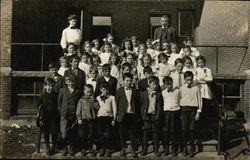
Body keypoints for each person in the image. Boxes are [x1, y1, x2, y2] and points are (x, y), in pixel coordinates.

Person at [116, 73, 141, 158]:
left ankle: (133, 150)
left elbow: (138, 104)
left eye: (130, 81)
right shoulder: (119, 91)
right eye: (127, 81)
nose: (129, 82)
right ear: (123, 81)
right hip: (123, 115)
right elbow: (117, 103)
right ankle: (123, 149)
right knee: (122, 133)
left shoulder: (135, 91)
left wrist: (137, 115)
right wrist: (117, 115)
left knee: (132, 133)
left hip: (132, 115)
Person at [179, 71, 202, 157]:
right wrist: (180, 113)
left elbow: (200, 100)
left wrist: (198, 112)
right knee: (184, 130)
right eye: (187, 80)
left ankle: (192, 148)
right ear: (184, 80)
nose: (189, 81)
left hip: (193, 110)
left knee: (191, 130)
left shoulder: (196, 88)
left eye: (191, 80)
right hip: (184, 110)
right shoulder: (181, 89)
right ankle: (184, 148)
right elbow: (178, 100)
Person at [58, 74, 82, 156]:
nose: (71, 83)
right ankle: (64, 148)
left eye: (72, 81)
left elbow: (79, 103)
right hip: (64, 114)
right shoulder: (62, 90)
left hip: (74, 115)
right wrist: (61, 111)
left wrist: (78, 114)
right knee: (64, 132)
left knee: (72, 132)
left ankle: (71, 148)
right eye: (69, 81)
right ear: (66, 82)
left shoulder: (78, 91)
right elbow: (59, 102)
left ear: (75, 82)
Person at [140, 76, 163, 157]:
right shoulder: (144, 94)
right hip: (147, 116)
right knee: (145, 133)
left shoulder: (159, 94)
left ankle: (156, 150)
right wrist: (143, 115)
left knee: (155, 133)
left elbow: (160, 106)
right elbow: (142, 105)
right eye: (153, 84)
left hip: (154, 115)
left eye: (156, 84)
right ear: (149, 84)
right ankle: (144, 149)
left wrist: (157, 116)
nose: (155, 86)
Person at [37, 77, 60, 156]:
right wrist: (40, 117)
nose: (50, 88)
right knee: (46, 131)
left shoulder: (56, 95)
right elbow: (39, 107)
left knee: (54, 131)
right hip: (45, 117)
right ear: (45, 86)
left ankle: (53, 146)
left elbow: (58, 105)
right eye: (49, 86)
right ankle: (47, 147)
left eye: (52, 86)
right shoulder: (42, 96)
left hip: (54, 117)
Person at [76, 84, 99, 157]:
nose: (89, 93)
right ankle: (83, 148)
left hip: (91, 120)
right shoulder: (81, 100)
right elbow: (78, 111)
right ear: (84, 91)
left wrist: (94, 101)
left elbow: (97, 108)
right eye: (88, 92)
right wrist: (79, 118)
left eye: (91, 92)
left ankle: (90, 148)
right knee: (83, 135)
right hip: (83, 120)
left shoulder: (93, 99)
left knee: (90, 135)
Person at [96, 82, 117, 157]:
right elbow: (96, 108)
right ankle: (102, 148)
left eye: (107, 90)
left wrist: (114, 118)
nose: (106, 91)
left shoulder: (112, 97)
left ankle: (108, 148)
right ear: (101, 90)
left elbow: (114, 109)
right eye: (104, 90)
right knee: (100, 134)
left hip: (108, 118)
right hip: (100, 118)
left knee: (108, 134)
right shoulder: (98, 98)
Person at [161, 76, 181, 157]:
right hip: (166, 112)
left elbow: (179, 100)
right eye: (167, 84)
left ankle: (174, 149)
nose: (169, 86)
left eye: (170, 84)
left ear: (172, 83)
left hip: (175, 112)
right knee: (166, 131)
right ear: (165, 84)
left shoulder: (177, 91)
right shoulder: (163, 92)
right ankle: (166, 149)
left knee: (173, 131)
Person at [194, 56, 213, 124]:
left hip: (205, 89)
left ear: (204, 62)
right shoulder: (196, 70)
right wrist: (200, 80)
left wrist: (204, 79)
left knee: (205, 106)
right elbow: (195, 79)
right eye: (199, 63)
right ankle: (199, 122)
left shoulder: (207, 70)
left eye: (202, 62)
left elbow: (210, 79)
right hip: (198, 88)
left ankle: (205, 123)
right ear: (197, 63)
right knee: (198, 105)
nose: (200, 64)